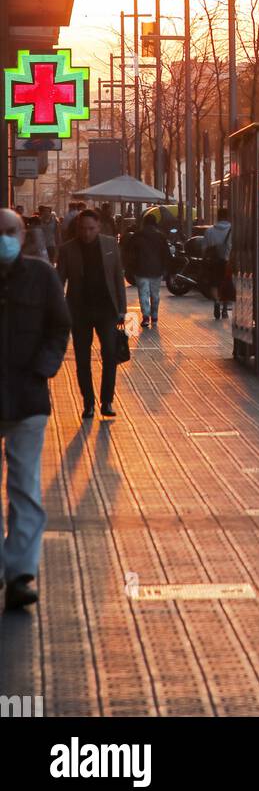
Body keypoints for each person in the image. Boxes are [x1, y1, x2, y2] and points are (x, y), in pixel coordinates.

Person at [0, 208, 70, 610]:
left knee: (24, 489)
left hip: (28, 399)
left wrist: (43, 370)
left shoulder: (42, 277)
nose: (5, 239)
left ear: (23, 235)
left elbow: (60, 326)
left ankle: (21, 574)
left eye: (11, 232)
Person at [57, 209, 128, 420]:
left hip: (107, 310)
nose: (86, 233)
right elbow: (59, 281)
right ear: (77, 228)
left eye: (91, 229)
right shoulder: (67, 249)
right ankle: (88, 403)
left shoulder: (109, 245)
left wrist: (122, 310)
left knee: (109, 355)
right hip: (79, 311)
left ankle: (107, 401)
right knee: (82, 359)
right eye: (83, 229)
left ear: (98, 228)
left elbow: (118, 278)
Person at [129, 216, 172, 328]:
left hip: (140, 269)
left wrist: (131, 268)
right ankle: (154, 316)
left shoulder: (137, 236)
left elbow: (130, 254)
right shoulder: (161, 236)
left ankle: (146, 317)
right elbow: (166, 254)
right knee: (155, 294)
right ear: (155, 223)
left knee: (143, 293)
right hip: (156, 270)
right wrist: (165, 268)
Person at [202, 206, 233, 320]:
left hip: (214, 262)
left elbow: (204, 248)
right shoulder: (232, 230)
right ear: (228, 217)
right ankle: (224, 309)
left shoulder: (209, 231)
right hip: (228, 262)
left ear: (218, 217)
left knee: (214, 284)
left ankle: (216, 301)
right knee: (226, 284)